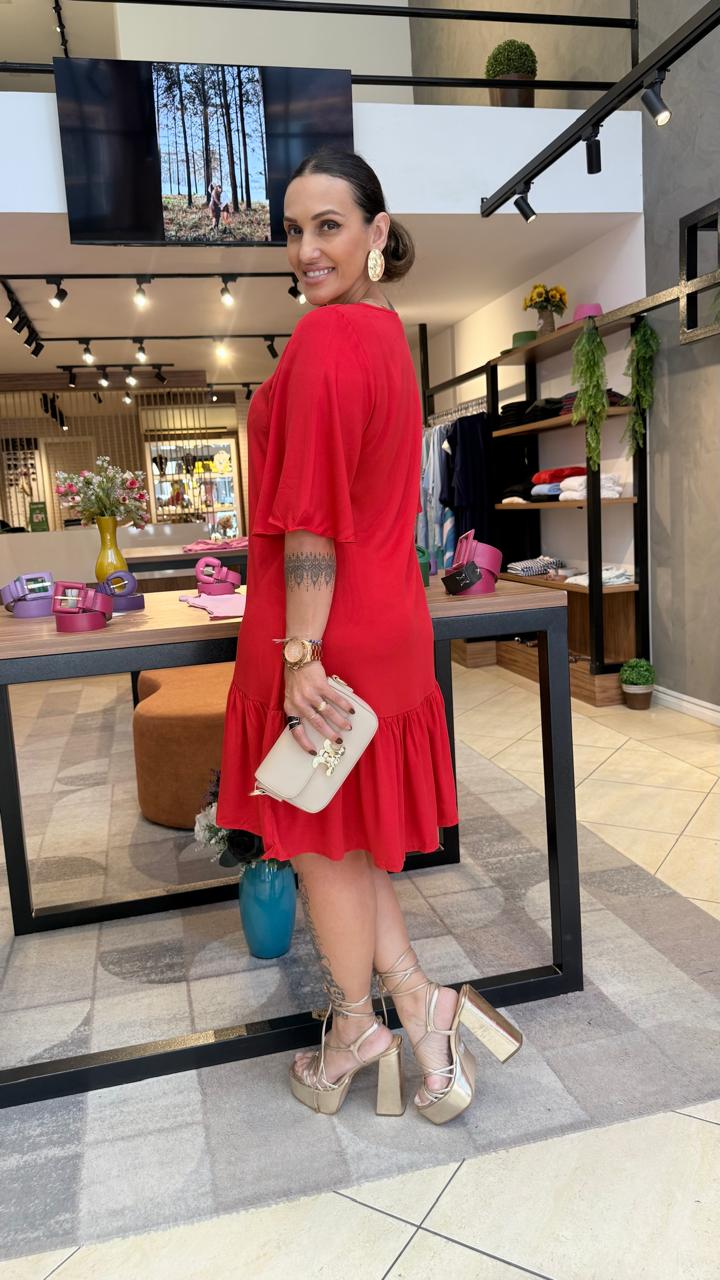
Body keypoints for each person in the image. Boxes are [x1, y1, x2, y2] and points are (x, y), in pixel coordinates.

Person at [217, 147, 522, 1125]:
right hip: (385, 624)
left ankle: (354, 1031)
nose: (306, 249)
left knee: (320, 843)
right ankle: (422, 1008)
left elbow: (311, 518)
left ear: (376, 231)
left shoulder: (325, 338)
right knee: (344, 841)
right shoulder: (386, 333)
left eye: (329, 226)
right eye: (293, 230)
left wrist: (299, 652)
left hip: (329, 634)